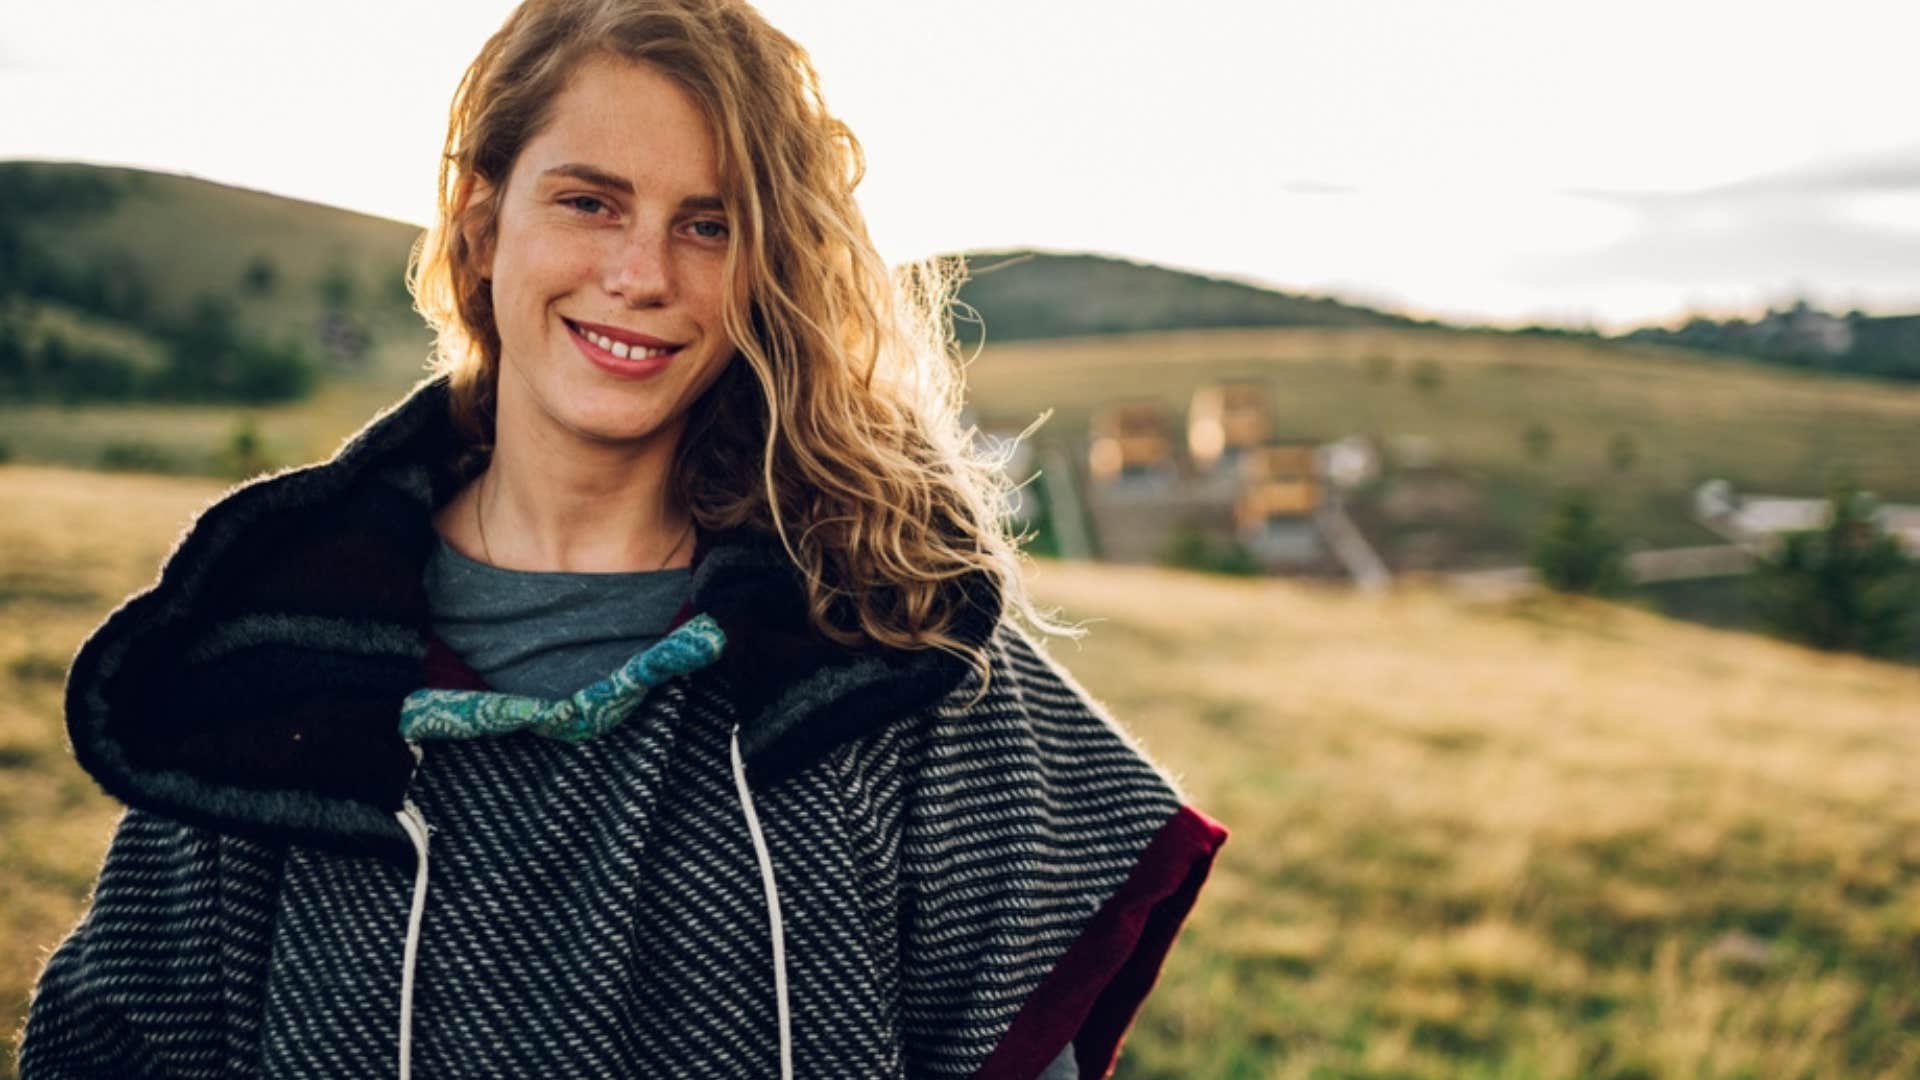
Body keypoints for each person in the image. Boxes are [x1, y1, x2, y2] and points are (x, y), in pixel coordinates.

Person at [15, 0, 1226, 1076]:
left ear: (766, 271)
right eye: (590, 202)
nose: (642, 273)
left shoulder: (887, 637)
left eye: (708, 225)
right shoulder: (281, 644)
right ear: (483, 229)